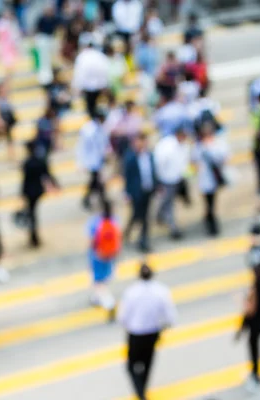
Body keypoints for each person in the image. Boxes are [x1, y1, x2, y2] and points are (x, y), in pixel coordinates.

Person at [118, 264, 177, 400]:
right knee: (148, 363)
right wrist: (164, 326)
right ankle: (143, 389)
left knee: (131, 365)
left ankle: (140, 392)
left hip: (135, 333)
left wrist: (127, 325)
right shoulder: (161, 291)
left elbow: (123, 317)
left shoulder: (131, 292)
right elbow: (170, 316)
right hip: (152, 333)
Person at [235, 265, 260, 393]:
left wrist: (242, 301)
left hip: (255, 325)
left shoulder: (256, 288)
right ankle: (255, 373)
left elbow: (250, 310)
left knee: (254, 350)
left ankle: (255, 376)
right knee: (256, 349)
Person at [192, 121, 230, 237]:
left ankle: (210, 220)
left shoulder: (216, 144)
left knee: (212, 202)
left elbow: (224, 157)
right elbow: (194, 161)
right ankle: (210, 222)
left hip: (213, 178)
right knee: (208, 202)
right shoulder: (199, 147)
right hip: (205, 179)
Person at [21, 140, 59, 248]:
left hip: (29, 192)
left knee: (32, 214)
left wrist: (22, 194)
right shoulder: (40, 161)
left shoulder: (27, 163)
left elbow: (25, 180)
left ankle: (33, 236)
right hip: (37, 191)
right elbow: (48, 174)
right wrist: (55, 185)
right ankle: (34, 236)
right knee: (33, 214)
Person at [153, 128, 190, 240]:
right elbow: (159, 163)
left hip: (177, 179)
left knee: (167, 200)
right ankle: (173, 228)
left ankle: (159, 215)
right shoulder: (167, 146)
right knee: (169, 204)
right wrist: (158, 180)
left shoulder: (183, 146)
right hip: (166, 180)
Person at [123, 134, 156, 253]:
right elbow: (127, 177)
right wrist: (127, 193)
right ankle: (128, 232)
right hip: (137, 192)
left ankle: (143, 240)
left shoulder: (150, 155)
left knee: (145, 217)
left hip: (148, 190)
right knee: (136, 215)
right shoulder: (131, 157)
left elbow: (153, 172)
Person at [88, 201, 120, 318]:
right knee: (104, 278)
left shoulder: (95, 223)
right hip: (110, 254)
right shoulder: (115, 220)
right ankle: (96, 299)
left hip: (98, 255)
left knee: (98, 281)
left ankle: (109, 303)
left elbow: (91, 241)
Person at [72, 34, 110, 118]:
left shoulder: (82, 57)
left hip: (88, 88)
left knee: (91, 110)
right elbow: (106, 72)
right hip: (100, 87)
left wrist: (77, 87)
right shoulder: (100, 56)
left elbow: (79, 74)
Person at [78, 111, 109, 210]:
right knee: (95, 181)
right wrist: (82, 162)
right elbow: (84, 147)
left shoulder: (98, 128)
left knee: (95, 181)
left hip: (96, 159)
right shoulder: (89, 129)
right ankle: (100, 199)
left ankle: (92, 199)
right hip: (91, 160)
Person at [35, 5, 60, 87]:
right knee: (44, 60)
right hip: (43, 39)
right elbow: (37, 29)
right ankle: (45, 77)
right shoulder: (42, 19)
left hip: (50, 39)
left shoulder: (54, 19)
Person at [0, 82, 17, 159]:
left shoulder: (6, 98)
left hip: (7, 121)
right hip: (2, 122)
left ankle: (11, 156)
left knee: (9, 139)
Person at [0, 10, 21, 76]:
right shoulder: (1, 23)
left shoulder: (12, 22)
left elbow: (15, 35)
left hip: (10, 46)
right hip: (5, 47)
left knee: (11, 65)